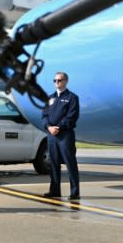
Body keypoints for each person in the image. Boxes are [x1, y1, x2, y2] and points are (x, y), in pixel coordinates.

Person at [42, 72, 80, 200]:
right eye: (55, 80)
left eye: (59, 80)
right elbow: (44, 115)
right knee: (53, 164)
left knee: (70, 163)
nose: (56, 83)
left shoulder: (72, 97)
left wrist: (59, 127)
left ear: (66, 81)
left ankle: (74, 192)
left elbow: (72, 116)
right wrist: (48, 127)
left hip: (65, 135)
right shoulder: (49, 98)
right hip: (51, 135)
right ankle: (54, 190)